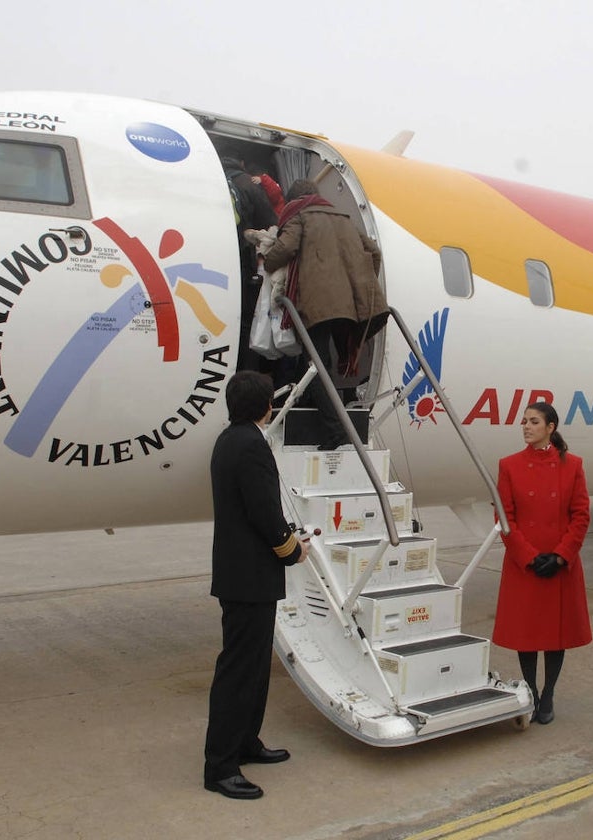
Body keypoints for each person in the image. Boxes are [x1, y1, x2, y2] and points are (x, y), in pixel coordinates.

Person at [203, 371, 308, 800]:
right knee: (239, 673)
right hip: (250, 577)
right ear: (264, 405)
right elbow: (265, 512)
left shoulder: (230, 439)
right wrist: (292, 549)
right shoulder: (252, 446)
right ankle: (220, 767)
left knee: (254, 669)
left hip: (243, 575)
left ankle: (246, 742)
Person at [262, 178, 388, 449]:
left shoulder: (299, 216)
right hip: (348, 305)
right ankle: (315, 407)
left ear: (295, 199)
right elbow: (373, 253)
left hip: (317, 303)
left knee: (315, 365)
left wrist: (265, 262)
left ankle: (335, 430)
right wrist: (360, 283)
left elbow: (285, 248)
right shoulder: (343, 218)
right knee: (323, 363)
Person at [492, 402, 592, 724]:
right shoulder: (508, 465)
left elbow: (580, 515)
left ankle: (548, 693)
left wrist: (562, 555)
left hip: (560, 563)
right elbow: (504, 517)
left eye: (533, 421)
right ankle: (532, 691)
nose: (526, 426)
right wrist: (529, 556)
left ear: (550, 427)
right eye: (524, 421)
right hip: (526, 565)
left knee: (554, 634)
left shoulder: (573, 465)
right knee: (528, 634)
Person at [221, 158, 278, 373]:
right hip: (244, 265)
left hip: (219, 265)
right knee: (248, 322)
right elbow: (271, 222)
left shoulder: (214, 183)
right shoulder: (247, 183)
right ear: (242, 163)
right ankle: (248, 376)